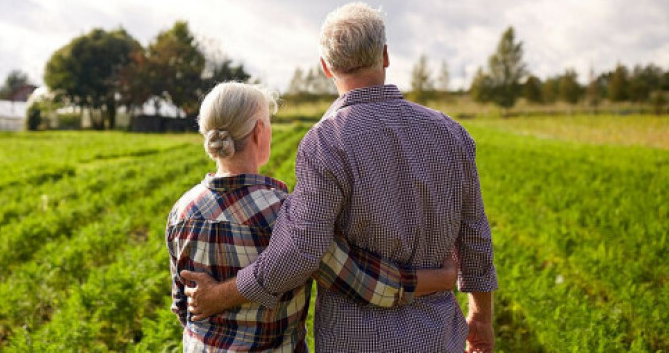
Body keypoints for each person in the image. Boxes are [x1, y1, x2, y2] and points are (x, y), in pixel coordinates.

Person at [183, 4, 498, 353]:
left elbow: (301, 251)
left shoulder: (325, 142)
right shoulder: (451, 133)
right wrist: (480, 317)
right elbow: (475, 235)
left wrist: (219, 295)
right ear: (385, 56)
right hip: (438, 335)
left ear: (326, 67)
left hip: (355, 340)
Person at [168, 81, 459, 352]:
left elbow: (182, 306)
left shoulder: (182, 211)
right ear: (259, 131)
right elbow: (361, 281)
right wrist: (437, 279)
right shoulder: (287, 214)